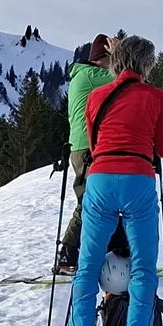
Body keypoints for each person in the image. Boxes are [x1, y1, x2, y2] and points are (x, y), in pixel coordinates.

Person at [67, 34, 163, 326]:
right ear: (147, 65)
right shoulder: (157, 97)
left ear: (117, 61)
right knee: (143, 266)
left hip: (99, 177)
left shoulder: (98, 95)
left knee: (88, 262)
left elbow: (95, 140)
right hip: (138, 178)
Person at [55, 33, 116, 273]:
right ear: (104, 57)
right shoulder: (93, 76)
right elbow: (128, 79)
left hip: (83, 146)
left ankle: (80, 253)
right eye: (113, 57)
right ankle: (67, 255)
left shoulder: (86, 75)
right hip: (87, 148)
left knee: (94, 200)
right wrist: (125, 54)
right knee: (89, 201)